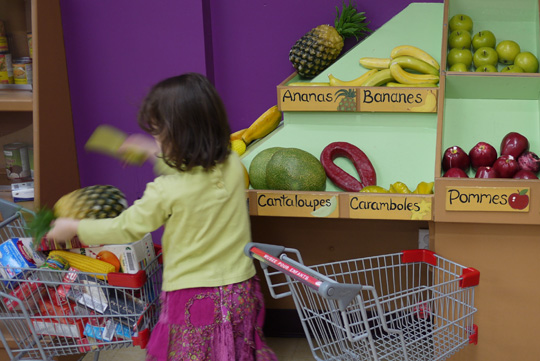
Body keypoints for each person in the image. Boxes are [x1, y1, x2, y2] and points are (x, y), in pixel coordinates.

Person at [47, 73, 277, 361]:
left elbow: (127, 227)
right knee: (231, 351)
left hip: (192, 297)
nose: (156, 140)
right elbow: (194, 177)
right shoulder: (231, 163)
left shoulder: (165, 190)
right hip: (240, 291)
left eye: (159, 135)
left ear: (178, 139)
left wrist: (76, 227)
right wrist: (150, 150)